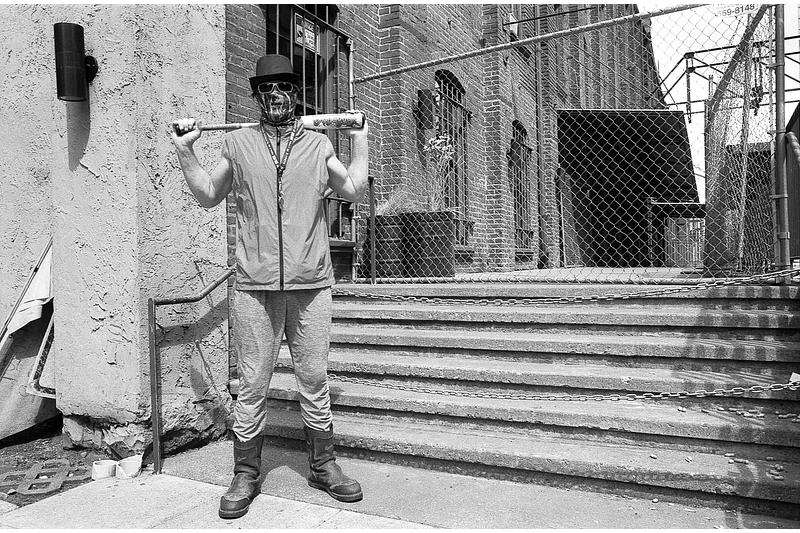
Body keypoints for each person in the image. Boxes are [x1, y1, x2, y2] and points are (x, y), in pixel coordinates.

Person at [170, 54, 368, 520]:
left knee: (313, 380)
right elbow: (207, 195)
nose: (275, 94)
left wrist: (360, 139)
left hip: (311, 283)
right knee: (253, 384)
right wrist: (186, 150)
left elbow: (354, 190)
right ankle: (245, 472)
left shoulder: (318, 145)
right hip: (254, 286)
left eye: (284, 86)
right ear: (257, 96)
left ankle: (323, 465)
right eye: (266, 88)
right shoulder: (237, 144)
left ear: (296, 93)